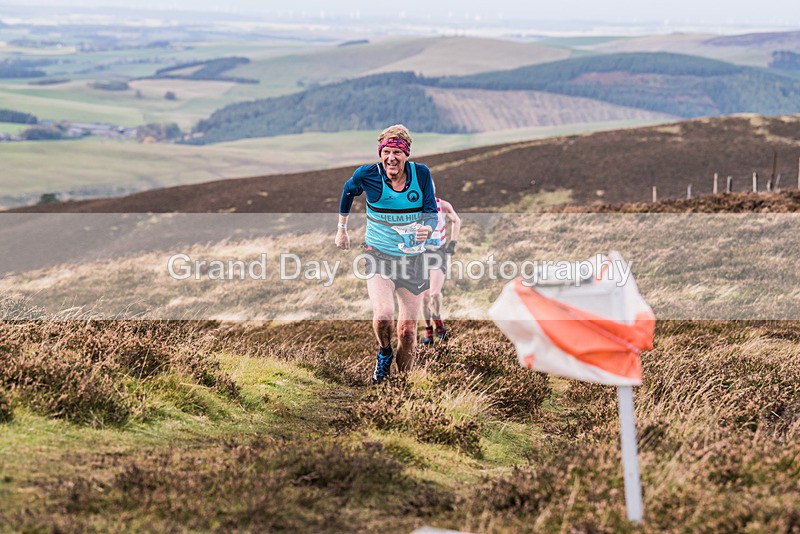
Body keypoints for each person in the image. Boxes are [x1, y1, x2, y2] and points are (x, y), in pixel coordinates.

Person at [335, 124, 438, 384]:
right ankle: (384, 354)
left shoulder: (421, 175)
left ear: (407, 154)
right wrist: (342, 229)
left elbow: (431, 213)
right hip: (378, 254)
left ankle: (403, 385)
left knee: (407, 332)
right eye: (386, 151)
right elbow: (348, 191)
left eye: (397, 152)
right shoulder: (367, 174)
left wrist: (427, 227)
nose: (391, 157)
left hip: (414, 259)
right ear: (380, 153)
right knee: (383, 316)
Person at [421, 197, 461, 345]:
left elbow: (456, 220)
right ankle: (428, 330)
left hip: (438, 253)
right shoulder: (414, 205)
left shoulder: (442, 205)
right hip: (421, 255)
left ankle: (438, 321)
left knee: (434, 293)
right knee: (424, 297)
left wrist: (453, 242)